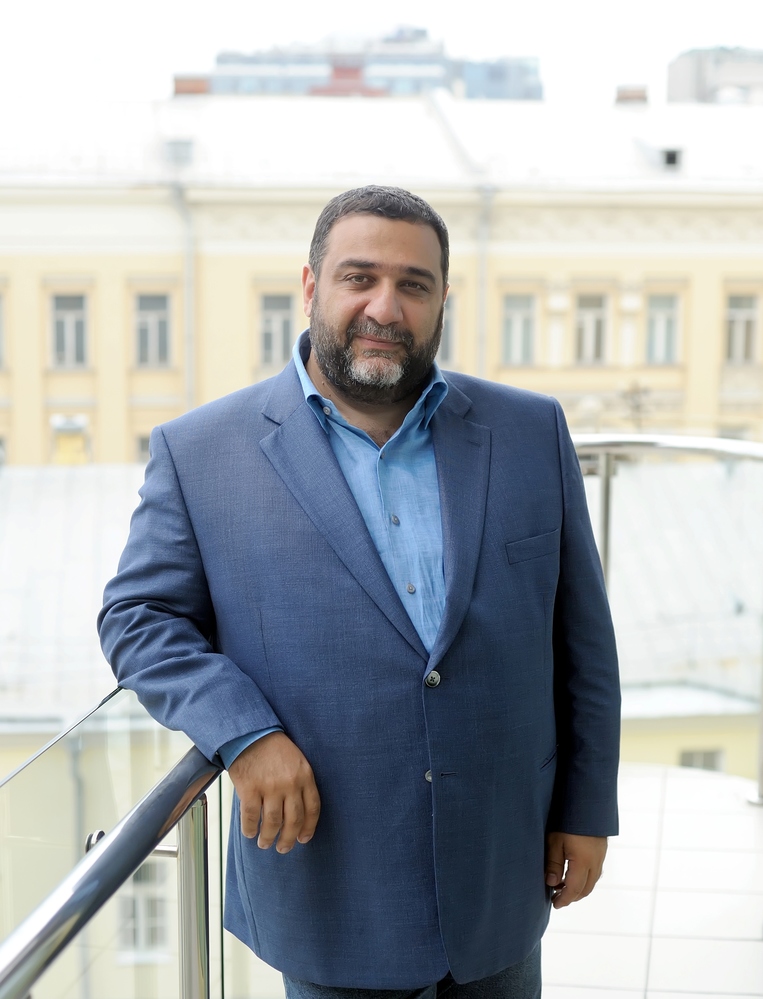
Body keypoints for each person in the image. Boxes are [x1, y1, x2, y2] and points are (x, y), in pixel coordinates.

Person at [99, 185, 620, 999]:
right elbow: (138, 617)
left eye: (413, 284)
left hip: (499, 871)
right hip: (330, 884)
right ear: (311, 286)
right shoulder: (201, 451)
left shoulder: (529, 431)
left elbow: (580, 638)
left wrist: (585, 807)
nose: (385, 306)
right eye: (359, 277)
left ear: (441, 300)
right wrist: (244, 732)